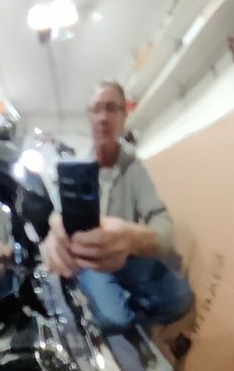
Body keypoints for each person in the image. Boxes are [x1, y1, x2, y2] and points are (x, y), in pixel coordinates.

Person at [43, 81, 194, 330]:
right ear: (89, 117)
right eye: (96, 109)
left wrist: (134, 237)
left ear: (124, 116)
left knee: (180, 299)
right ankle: (121, 313)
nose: (103, 117)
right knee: (115, 319)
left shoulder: (134, 168)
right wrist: (53, 233)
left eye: (112, 108)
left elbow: (163, 223)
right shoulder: (76, 171)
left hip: (128, 257)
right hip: (90, 263)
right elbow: (57, 216)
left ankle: (125, 310)